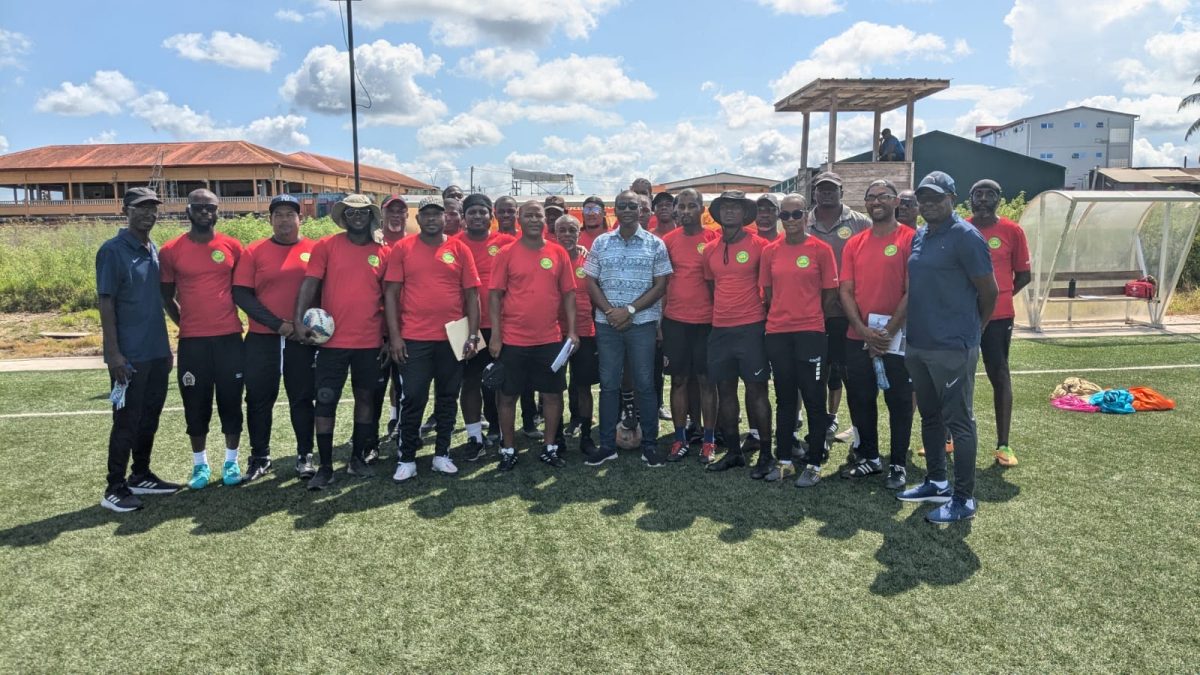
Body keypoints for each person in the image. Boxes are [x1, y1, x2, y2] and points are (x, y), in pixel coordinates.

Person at [899, 171, 997, 524]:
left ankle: (964, 498)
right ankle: (936, 480)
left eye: (936, 198)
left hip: (953, 346)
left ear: (952, 199)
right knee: (930, 416)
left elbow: (990, 293)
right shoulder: (921, 235)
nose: (928, 204)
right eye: (923, 199)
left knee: (959, 421)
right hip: (920, 343)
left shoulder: (966, 237)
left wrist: (974, 330)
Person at [294, 194, 389, 490]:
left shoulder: (382, 252)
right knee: (325, 400)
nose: (357, 216)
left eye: (362, 212)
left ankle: (357, 459)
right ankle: (324, 467)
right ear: (344, 217)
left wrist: (387, 337)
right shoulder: (327, 246)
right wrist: (298, 320)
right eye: (351, 212)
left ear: (370, 216)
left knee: (365, 399)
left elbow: (390, 298)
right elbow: (310, 283)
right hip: (331, 343)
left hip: (370, 341)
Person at [95, 187, 180, 512]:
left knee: (150, 417)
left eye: (153, 208)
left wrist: (184, 329)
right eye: (141, 208)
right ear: (125, 210)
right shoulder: (113, 251)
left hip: (157, 352)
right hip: (129, 357)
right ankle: (114, 487)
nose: (149, 214)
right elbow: (106, 304)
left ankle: (140, 474)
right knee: (126, 420)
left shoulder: (153, 249)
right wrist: (113, 355)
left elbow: (163, 299)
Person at [385, 195, 481, 482]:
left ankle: (442, 454)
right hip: (414, 337)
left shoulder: (460, 249)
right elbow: (390, 294)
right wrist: (395, 337)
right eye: (425, 214)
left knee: (448, 397)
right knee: (413, 397)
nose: (431, 219)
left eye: (436, 214)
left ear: (446, 218)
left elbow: (472, 295)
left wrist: (473, 335)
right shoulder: (403, 248)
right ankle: (407, 458)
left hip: (452, 337)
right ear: (418, 219)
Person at [159, 189, 245, 490]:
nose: (205, 212)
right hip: (193, 343)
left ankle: (232, 461)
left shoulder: (232, 246)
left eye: (211, 208)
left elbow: (244, 289)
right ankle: (200, 465)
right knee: (195, 405)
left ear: (218, 211)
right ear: (188, 211)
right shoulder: (170, 250)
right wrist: (186, 323)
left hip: (230, 338)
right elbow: (166, 297)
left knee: (231, 402)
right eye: (199, 207)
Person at [583, 189, 672, 467]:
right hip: (608, 324)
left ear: (642, 210)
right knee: (609, 385)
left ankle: (650, 445)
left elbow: (661, 286)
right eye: (622, 205)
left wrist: (630, 310)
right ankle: (607, 445)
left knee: (645, 385)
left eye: (633, 205)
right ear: (615, 210)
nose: (628, 210)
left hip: (642, 324)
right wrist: (610, 312)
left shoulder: (655, 244)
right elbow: (591, 282)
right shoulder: (601, 242)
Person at [233, 194, 317, 482]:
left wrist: (307, 326)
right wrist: (277, 325)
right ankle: (260, 457)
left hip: (302, 339)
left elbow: (325, 291)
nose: (284, 219)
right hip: (261, 339)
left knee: (303, 398)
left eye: (289, 214)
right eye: (278, 214)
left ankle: (305, 454)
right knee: (257, 399)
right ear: (270, 219)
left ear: (300, 218)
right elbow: (242, 293)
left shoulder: (315, 250)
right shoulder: (254, 251)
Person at [489, 201, 579, 470]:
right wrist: (496, 334)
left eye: (537, 215)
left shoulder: (558, 253)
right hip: (513, 340)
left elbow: (569, 295)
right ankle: (508, 448)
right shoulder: (506, 253)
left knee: (552, 395)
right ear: (519, 219)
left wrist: (572, 332)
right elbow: (494, 296)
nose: (532, 219)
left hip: (549, 339)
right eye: (527, 215)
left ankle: (550, 447)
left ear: (544, 220)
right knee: (507, 396)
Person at [838, 180, 915, 490]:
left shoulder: (911, 239)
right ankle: (869, 457)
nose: (877, 201)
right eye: (871, 197)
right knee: (860, 398)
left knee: (898, 401)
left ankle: (898, 463)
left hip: (897, 338)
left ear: (896, 202)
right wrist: (863, 331)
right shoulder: (855, 243)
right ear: (865, 204)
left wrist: (888, 332)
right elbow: (845, 290)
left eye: (884, 196)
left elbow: (913, 290)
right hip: (859, 336)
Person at [759, 193, 838, 486]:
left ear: (807, 215)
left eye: (796, 214)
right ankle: (785, 461)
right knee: (785, 399)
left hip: (811, 334)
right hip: (778, 333)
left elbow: (830, 296)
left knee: (814, 399)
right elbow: (767, 294)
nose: (791, 220)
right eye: (785, 215)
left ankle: (814, 462)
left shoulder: (820, 249)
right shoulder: (771, 251)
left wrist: (808, 316)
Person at [702, 191, 773, 478]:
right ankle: (733, 452)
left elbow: (768, 289)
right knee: (725, 391)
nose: (730, 212)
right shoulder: (710, 250)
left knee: (757, 390)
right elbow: (711, 287)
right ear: (718, 214)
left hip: (752, 328)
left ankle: (766, 454)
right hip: (720, 329)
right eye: (725, 208)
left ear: (745, 214)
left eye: (736, 208)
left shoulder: (761, 246)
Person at [968, 179, 1031, 468]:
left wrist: (997, 297)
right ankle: (950, 436)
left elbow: (1024, 275)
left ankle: (1003, 444)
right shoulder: (960, 227)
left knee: (999, 373)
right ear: (970, 199)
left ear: (998, 199)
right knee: (956, 376)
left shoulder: (1012, 231)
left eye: (989, 194)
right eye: (977, 194)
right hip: (962, 315)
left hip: (998, 317)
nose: (983, 199)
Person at [807, 171, 870, 446]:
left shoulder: (859, 222)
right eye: (822, 189)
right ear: (814, 193)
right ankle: (817, 423)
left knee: (849, 373)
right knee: (817, 373)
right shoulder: (802, 221)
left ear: (842, 192)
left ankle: (849, 427)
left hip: (847, 312)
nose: (827, 193)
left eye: (832, 189)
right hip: (813, 312)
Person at [660, 188, 719, 463]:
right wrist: (660, 322)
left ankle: (708, 439)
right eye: (681, 207)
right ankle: (680, 438)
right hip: (675, 322)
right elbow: (661, 285)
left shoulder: (714, 239)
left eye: (691, 206)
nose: (685, 212)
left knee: (707, 382)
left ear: (701, 208)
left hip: (707, 322)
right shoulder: (668, 241)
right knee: (679, 380)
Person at [455, 193, 515, 461]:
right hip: (464, 326)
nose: (477, 217)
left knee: (503, 382)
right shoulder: (453, 245)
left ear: (491, 216)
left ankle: (504, 434)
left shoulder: (506, 243)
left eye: (482, 212)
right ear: (464, 217)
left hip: (502, 324)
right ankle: (474, 436)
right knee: (469, 382)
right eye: (472, 212)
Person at [553, 214, 600, 456]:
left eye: (572, 230)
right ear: (555, 233)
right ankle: (556, 436)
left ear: (579, 233)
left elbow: (597, 294)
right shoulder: (548, 258)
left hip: (585, 332)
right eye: (562, 230)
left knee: (583, 386)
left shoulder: (588, 259)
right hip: (554, 333)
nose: (568, 235)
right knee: (555, 387)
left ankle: (586, 436)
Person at [374, 194, 408, 453]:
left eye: (401, 211)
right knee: (376, 382)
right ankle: (376, 429)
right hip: (375, 325)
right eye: (391, 210)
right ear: (382, 214)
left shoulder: (412, 244)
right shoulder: (373, 242)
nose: (395, 215)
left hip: (406, 324)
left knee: (404, 381)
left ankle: (401, 423)